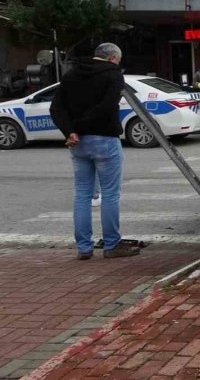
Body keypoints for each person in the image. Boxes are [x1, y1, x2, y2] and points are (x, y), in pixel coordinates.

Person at [49, 43, 139, 260]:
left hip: (77, 142)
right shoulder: (113, 75)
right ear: (112, 58)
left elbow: (56, 107)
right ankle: (111, 245)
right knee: (110, 194)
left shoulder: (71, 75)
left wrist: (70, 131)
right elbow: (107, 106)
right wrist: (81, 126)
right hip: (104, 138)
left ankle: (84, 247)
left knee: (82, 194)